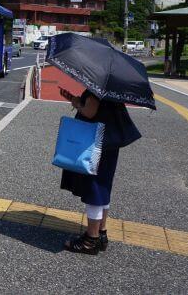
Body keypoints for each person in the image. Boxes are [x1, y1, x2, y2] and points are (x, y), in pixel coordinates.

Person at [58, 87, 141, 255]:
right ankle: (101, 232)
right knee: (103, 186)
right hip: (110, 141)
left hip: (96, 143)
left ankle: (91, 239)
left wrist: (76, 103)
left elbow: (90, 112)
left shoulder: (97, 87)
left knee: (94, 188)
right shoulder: (113, 90)